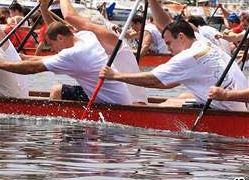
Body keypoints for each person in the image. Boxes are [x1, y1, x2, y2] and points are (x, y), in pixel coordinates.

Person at [100, 20, 248, 112]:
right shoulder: (204, 42)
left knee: (166, 105)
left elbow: (154, 79)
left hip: (230, 109)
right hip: (240, 104)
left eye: (169, 43)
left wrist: (115, 76)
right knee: (183, 95)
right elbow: (167, 84)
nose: (168, 49)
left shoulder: (187, 56)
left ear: (182, 37)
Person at [0, 20, 132, 105]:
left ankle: (55, 123)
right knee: (58, 90)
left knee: (55, 90)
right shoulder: (86, 36)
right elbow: (43, 60)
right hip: (115, 96)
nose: (52, 49)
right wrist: (23, 57)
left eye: (51, 45)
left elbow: (32, 69)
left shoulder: (73, 53)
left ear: (60, 37)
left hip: (112, 104)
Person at [54, 0, 147, 103]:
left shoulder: (110, 39)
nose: (78, 32)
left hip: (130, 103)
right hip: (115, 98)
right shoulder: (93, 45)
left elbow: (70, 17)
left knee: (57, 90)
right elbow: (56, 38)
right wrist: (44, 9)